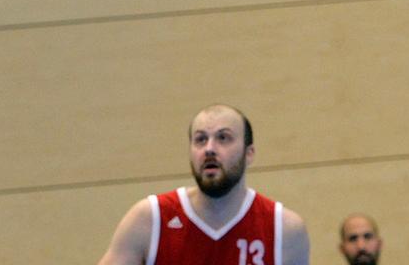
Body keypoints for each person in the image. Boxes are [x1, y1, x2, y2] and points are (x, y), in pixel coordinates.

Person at [97, 104, 310, 265]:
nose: (209, 149)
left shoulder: (284, 228)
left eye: (223, 138)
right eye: (200, 139)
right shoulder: (150, 219)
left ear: (249, 153)